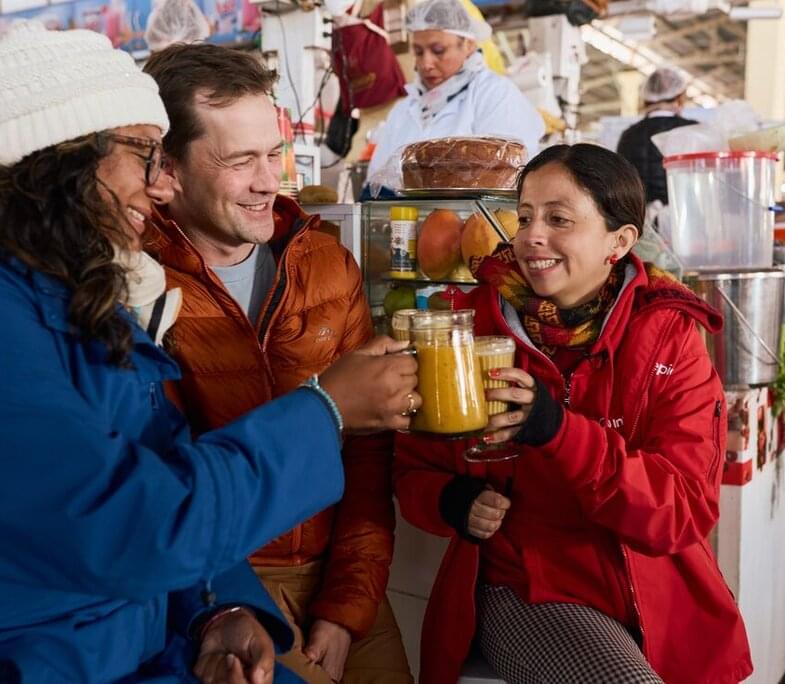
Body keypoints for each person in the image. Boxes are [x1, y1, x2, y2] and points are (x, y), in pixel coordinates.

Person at [0, 21, 419, 683]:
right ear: (66, 154)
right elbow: (127, 525)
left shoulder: (63, 280)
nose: (158, 188)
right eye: (143, 154)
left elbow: (157, 460)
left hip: (121, 640)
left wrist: (215, 610)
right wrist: (324, 410)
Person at [393, 144, 753, 683]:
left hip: (655, 588)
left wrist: (559, 432)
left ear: (619, 241)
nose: (531, 236)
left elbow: (684, 511)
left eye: (559, 219)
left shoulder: (669, 334)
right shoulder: (468, 327)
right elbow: (411, 466)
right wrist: (450, 501)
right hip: (528, 588)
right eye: (525, 217)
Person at [142, 43, 414, 684]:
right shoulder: (134, 285)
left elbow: (368, 452)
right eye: (241, 161)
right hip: (218, 589)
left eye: (274, 153)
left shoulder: (326, 263)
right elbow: (158, 483)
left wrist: (347, 606)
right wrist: (223, 605)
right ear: (167, 168)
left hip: (344, 579)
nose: (268, 181)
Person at [364, 0, 544, 190]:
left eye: (438, 51)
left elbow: (507, 174)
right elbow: (377, 181)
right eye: (418, 52)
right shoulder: (404, 110)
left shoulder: (494, 93)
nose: (426, 63)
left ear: (468, 45)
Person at [616, 67, 697, 206]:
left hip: (640, 214)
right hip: (684, 213)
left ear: (646, 99)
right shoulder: (693, 131)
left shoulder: (628, 135)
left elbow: (621, 182)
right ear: (680, 97)